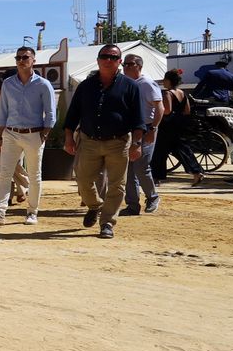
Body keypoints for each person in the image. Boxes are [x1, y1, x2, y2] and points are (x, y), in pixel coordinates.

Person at [63, 44, 147, 239]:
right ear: (98, 60)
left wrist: (137, 143)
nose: (108, 60)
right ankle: (94, 205)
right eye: (104, 56)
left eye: (113, 57)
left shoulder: (130, 86)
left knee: (117, 185)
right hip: (89, 141)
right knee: (83, 179)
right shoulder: (86, 85)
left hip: (118, 142)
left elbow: (138, 118)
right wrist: (68, 138)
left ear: (119, 62)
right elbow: (73, 114)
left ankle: (107, 222)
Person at [0, 49, 53, 226]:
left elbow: (50, 113)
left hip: (34, 134)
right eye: (18, 58)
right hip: (11, 134)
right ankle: (0, 212)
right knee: (4, 174)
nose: (21, 61)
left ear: (33, 60)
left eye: (25, 57)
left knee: (35, 175)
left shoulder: (43, 85)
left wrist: (43, 134)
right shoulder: (7, 84)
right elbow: (2, 111)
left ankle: (32, 212)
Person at [121, 53, 164, 215]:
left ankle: (152, 197)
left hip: (146, 127)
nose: (125, 67)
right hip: (132, 129)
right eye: (124, 64)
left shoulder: (146, 83)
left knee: (140, 165)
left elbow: (160, 108)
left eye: (129, 64)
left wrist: (153, 129)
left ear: (138, 66)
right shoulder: (129, 84)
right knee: (130, 168)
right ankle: (132, 204)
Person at [153, 69, 204, 185]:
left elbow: (167, 111)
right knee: (182, 150)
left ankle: (156, 177)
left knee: (160, 152)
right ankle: (196, 171)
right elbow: (187, 110)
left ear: (168, 80)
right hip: (179, 126)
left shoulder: (167, 93)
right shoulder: (181, 93)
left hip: (167, 126)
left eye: (165, 80)